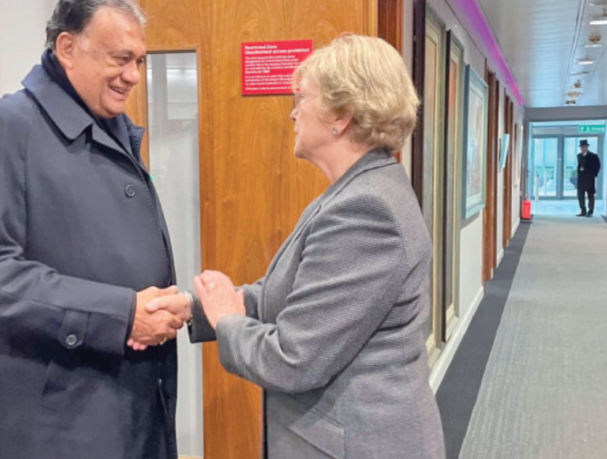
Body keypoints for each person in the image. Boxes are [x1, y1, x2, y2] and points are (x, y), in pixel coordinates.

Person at [147, 35, 445, 458]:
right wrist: (196, 307)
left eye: (301, 98)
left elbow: (293, 359)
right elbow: (293, 297)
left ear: (341, 115)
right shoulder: (355, 191)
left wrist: (228, 319)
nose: (292, 112)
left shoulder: (366, 209)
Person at [0, 1, 190, 458]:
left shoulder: (113, 129)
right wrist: (120, 315)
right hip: (53, 432)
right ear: (67, 48)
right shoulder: (4, 128)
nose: (133, 76)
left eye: (139, 61)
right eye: (120, 58)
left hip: (128, 414)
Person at [576, 139, 601, 217]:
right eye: (581, 147)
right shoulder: (579, 156)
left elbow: (598, 166)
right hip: (581, 180)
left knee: (590, 196)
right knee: (580, 195)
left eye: (584, 146)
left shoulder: (593, 156)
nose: (582, 148)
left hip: (589, 179)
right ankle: (583, 210)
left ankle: (590, 211)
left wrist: (593, 174)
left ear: (587, 147)